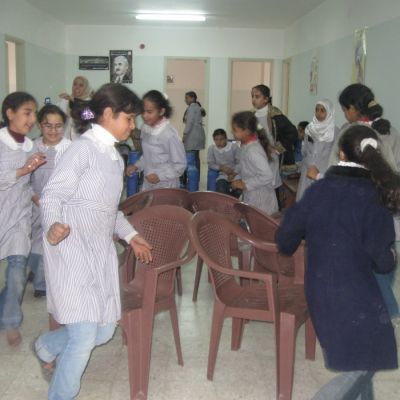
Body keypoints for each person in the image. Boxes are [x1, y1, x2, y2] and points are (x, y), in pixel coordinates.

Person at [32, 83, 153, 399]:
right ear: (109, 114)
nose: (133, 126)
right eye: (129, 118)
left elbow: (110, 210)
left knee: (103, 329)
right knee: (85, 333)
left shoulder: (114, 157)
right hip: (71, 248)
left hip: (99, 252)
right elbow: (53, 195)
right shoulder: (82, 148)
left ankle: (45, 346)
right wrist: (54, 226)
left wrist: (132, 235)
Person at [276, 125, 399, 399]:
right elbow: (383, 263)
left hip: (321, 291)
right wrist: (392, 255)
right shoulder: (373, 198)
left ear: (340, 152)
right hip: (358, 295)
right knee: (368, 361)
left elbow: (285, 241)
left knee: (363, 360)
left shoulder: (318, 192)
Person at [308, 84, 400, 319]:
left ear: (350, 109)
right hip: (385, 213)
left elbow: (334, 173)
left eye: (344, 109)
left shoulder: (349, 134)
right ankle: (385, 318)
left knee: (363, 271)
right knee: (380, 269)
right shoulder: (389, 131)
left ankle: (388, 319)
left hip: (355, 215)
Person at [0, 92, 46, 346]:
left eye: (33, 113)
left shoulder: (30, 146)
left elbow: (24, 185)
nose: (32, 119)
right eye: (27, 112)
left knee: (17, 272)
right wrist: (23, 170)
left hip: (18, 218)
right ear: (10, 113)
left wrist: (35, 196)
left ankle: (10, 321)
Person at [27, 104, 71, 298]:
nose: (53, 131)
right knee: (34, 242)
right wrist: (33, 196)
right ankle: (37, 270)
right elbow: (23, 179)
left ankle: (43, 284)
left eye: (58, 126)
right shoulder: (32, 147)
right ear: (39, 125)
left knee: (51, 240)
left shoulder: (70, 149)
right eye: (48, 125)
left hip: (60, 206)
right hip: (34, 203)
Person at [126, 90, 186, 190]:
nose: (144, 116)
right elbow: (147, 156)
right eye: (143, 111)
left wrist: (160, 176)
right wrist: (137, 166)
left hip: (166, 186)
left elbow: (180, 165)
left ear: (161, 111)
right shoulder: (145, 128)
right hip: (148, 182)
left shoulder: (169, 134)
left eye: (149, 112)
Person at [230, 111, 278, 214]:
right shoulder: (245, 145)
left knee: (259, 227)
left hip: (262, 200)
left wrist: (244, 184)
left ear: (246, 131)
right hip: (252, 196)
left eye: (235, 130)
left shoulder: (253, 151)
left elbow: (267, 175)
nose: (232, 132)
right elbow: (246, 165)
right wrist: (235, 172)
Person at [296, 99, 338, 200]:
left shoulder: (335, 131)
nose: (318, 113)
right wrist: (309, 162)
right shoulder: (310, 129)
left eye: (322, 110)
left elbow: (336, 155)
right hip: (307, 170)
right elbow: (305, 150)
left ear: (329, 112)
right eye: (316, 110)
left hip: (323, 171)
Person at [251, 84, 298, 169]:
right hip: (256, 153)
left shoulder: (276, 115)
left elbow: (292, 132)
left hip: (271, 154)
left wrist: (278, 148)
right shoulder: (251, 116)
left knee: (270, 179)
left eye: (257, 97)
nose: (253, 99)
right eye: (252, 96)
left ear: (266, 99)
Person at [207, 128, 241, 198]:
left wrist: (234, 173)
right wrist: (221, 168)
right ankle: (226, 202)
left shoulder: (233, 147)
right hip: (222, 175)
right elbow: (210, 164)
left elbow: (240, 162)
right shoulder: (212, 148)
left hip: (236, 174)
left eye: (221, 139)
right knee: (221, 189)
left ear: (226, 139)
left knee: (238, 190)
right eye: (216, 140)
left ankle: (231, 201)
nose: (218, 142)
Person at [58, 76, 93, 141]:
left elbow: (88, 119)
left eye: (81, 85)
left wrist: (73, 101)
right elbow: (58, 116)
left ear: (86, 88)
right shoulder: (66, 100)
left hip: (82, 138)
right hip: (65, 137)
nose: (77, 87)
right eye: (75, 84)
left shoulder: (89, 103)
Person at [182, 91, 206, 174]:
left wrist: (184, 134)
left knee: (191, 158)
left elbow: (189, 122)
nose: (185, 100)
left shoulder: (192, 107)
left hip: (193, 135)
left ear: (192, 98)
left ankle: (192, 177)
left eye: (186, 98)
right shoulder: (197, 107)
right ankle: (196, 177)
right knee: (196, 157)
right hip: (197, 134)